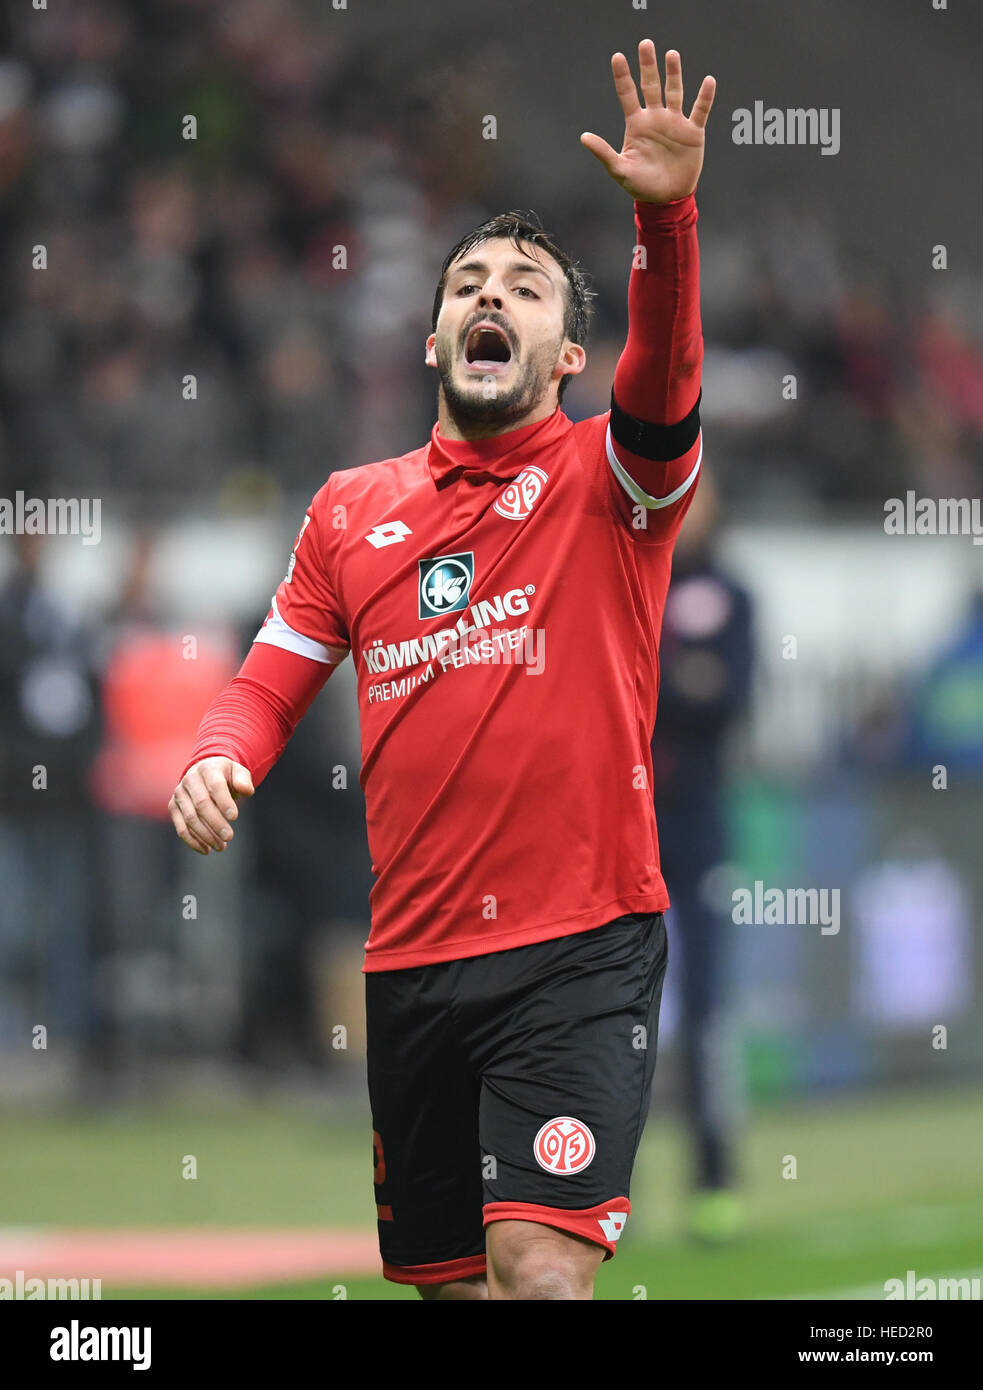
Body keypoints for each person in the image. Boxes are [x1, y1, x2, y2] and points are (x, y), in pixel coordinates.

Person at [170, 42, 716, 1300]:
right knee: (450, 1285)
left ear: (564, 355)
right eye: (468, 283)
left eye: (525, 289)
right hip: (411, 961)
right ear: (429, 341)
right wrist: (216, 756)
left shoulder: (607, 485)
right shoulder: (349, 513)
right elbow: (267, 682)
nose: (492, 297)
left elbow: (665, 376)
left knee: (537, 1268)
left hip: (580, 943)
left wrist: (665, 224)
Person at [649, 471, 753, 1242]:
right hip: (626, 821)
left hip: (700, 826)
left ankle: (715, 1180)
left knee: (710, 1011)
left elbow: (730, 697)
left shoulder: (732, 593)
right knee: (613, 1010)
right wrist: (681, 681)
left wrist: (669, 687)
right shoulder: (627, 571)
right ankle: (600, 1187)